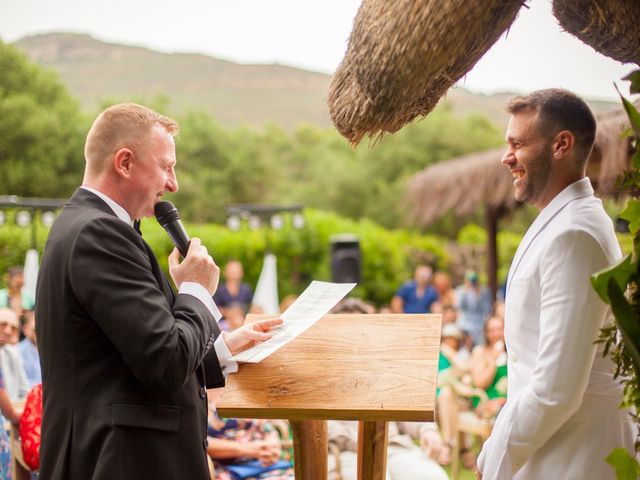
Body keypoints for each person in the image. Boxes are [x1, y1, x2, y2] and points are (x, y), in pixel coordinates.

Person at [35, 103, 282, 480]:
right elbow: (164, 361)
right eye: (166, 166)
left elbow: (128, 358)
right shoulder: (99, 234)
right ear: (125, 163)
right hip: (119, 462)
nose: (173, 184)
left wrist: (223, 349)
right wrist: (196, 291)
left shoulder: (88, 226)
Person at [477, 89, 635, 479]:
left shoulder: (575, 233)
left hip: (578, 452)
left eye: (517, 143)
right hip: (556, 444)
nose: (506, 156)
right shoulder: (566, 220)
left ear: (561, 144)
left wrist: (495, 459)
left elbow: (556, 388)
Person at [0, 308, 30, 401]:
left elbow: (24, 391)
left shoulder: (13, 354)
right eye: (3, 324)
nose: (8, 331)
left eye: (13, 328)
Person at [455, 270, 491, 346]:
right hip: (465, 323)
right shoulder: (460, 290)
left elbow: (487, 309)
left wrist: (479, 295)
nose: (472, 282)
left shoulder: (484, 291)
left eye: (473, 280)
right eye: (469, 280)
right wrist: (465, 292)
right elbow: (459, 306)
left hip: (479, 324)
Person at [16, 310, 41, 387]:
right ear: (25, 329)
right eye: (35, 330)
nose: (39, 333)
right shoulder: (17, 351)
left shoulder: (52, 351)